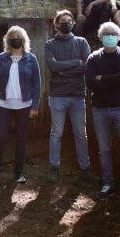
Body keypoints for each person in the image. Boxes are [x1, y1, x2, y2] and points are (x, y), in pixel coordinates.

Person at [85, 22, 120, 202]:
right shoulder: (93, 57)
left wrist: (103, 79)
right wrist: (116, 77)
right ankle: (108, 183)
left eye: (113, 34)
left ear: (119, 37)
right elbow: (91, 83)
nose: (109, 37)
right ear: (100, 38)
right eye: (106, 34)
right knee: (104, 149)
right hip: (100, 109)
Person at [0, 26, 41, 184]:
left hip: (24, 104)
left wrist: (35, 106)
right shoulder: (1, 58)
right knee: (0, 136)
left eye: (18, 36)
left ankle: (18, 173)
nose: (15, 39)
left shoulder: (31, 58)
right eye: (12, 36)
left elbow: (37, 83)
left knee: (21, 139)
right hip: (3, 103)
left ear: (23, 40)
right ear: (8, 40)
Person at [45, 10, 91, 183]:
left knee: (81, 134)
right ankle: (54, 167)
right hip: (57, 95)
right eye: (63, 21)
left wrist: (64, 70)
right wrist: (75, 64)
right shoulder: (49, 44)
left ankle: (85, 167)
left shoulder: (81, 42)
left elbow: (86, 65)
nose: (67, 23)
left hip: (78, 94)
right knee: (56, 133)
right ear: (56, 24)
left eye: (69, 20)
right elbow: (53, 67)